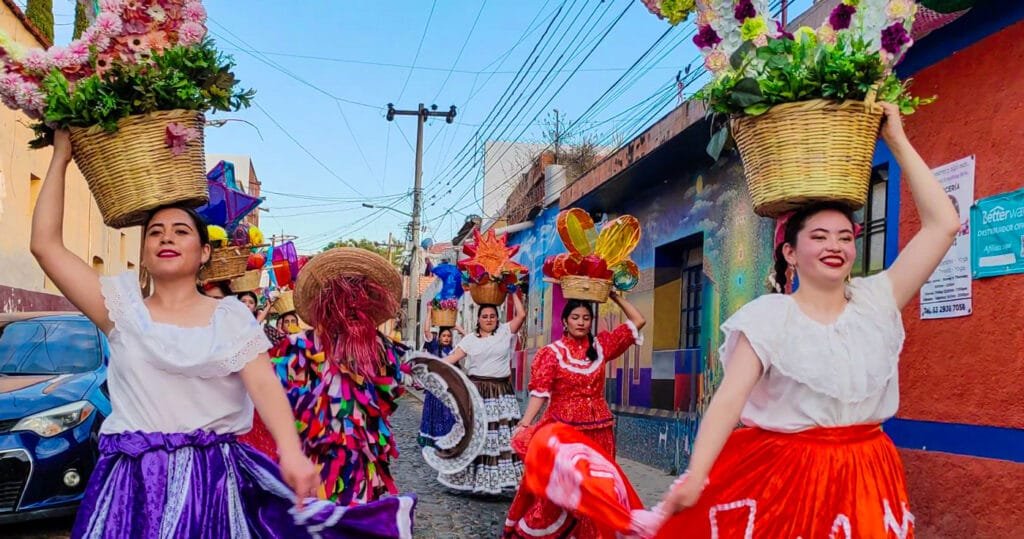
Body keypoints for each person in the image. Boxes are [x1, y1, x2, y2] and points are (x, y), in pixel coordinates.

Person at [31, 132, 414, 538]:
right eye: (156, 232)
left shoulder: (231, 317)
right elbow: (46, 246)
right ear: (144, 252)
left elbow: (264, 385)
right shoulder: (121, 311)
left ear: (204, 252)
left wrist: (292, 452)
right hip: (132, 486)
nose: (166, 237)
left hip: (210, 484)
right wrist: (60, 158)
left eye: (181, 231)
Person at [651, 103, 960, 537]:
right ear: (791, 253)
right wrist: (698, 473)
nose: (834, 246)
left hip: (872, 473)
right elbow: (728, 401)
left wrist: (897, 140)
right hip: (792, 479)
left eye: (843, 237)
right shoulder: (768, 318)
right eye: (818, 237)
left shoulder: (878, 299)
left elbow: (943, 225)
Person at [503, 292, 646, 538]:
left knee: (598, 489)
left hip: (599, 432)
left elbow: (638, 320)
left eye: (586, 318)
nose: (581, 322)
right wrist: (525, 423)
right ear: (565, 321)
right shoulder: (552, 353)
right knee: (558, 491)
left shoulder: (601, 347)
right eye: (576, 317)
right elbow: (540, 393)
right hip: (564, 433)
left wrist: (613, 295)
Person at [277, 247, 412, 507]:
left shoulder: (381, 348)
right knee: (315, 513)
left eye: (359, 296)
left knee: (353, 513)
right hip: (314, 451)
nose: (351, 305)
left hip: (361, 453)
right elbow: (283, 393)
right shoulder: (303, 345)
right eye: (344, 297)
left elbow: (390, 393)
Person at [439, 294, 527, 495]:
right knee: (475, 435)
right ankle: (469, 482)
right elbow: (453, 358)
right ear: (478, 319)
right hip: (477, 391)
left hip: (502, 392)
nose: (488, 319)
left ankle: (502, 483)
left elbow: (521, 315)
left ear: (498, 318)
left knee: (502, 437)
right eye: (485, 316)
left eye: (492, 316)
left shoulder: (505, 331)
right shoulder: (469, 340)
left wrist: (513, 291)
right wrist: (429, 364)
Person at [418, 325, 462, 450]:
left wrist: (458, 328)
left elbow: (469, 339)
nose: (447, 338)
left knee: (449, 416)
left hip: (449, 392)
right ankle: (433, 441)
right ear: (439, 337)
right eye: (444, 336)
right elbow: (426, 330)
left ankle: (448, 441)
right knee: (435, 415)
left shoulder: (455, 351)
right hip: (435, 391)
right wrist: (430, 310)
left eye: (449, 336)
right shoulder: (434, 348)